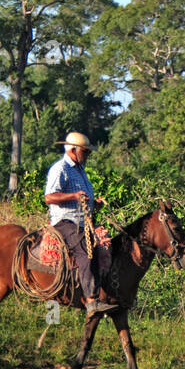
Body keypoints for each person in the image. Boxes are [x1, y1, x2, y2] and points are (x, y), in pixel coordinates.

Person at [45, 132, 115, 317]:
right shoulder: (60, 168)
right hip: (65, 222)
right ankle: (92, 301)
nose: (87, 156)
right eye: (86, 152)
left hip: (83, 222)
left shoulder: (80, 170)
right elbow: (49, 197)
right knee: (85, 253)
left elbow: (83, 199)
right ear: (73, 150)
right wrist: (74, 196)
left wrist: (95, 204)